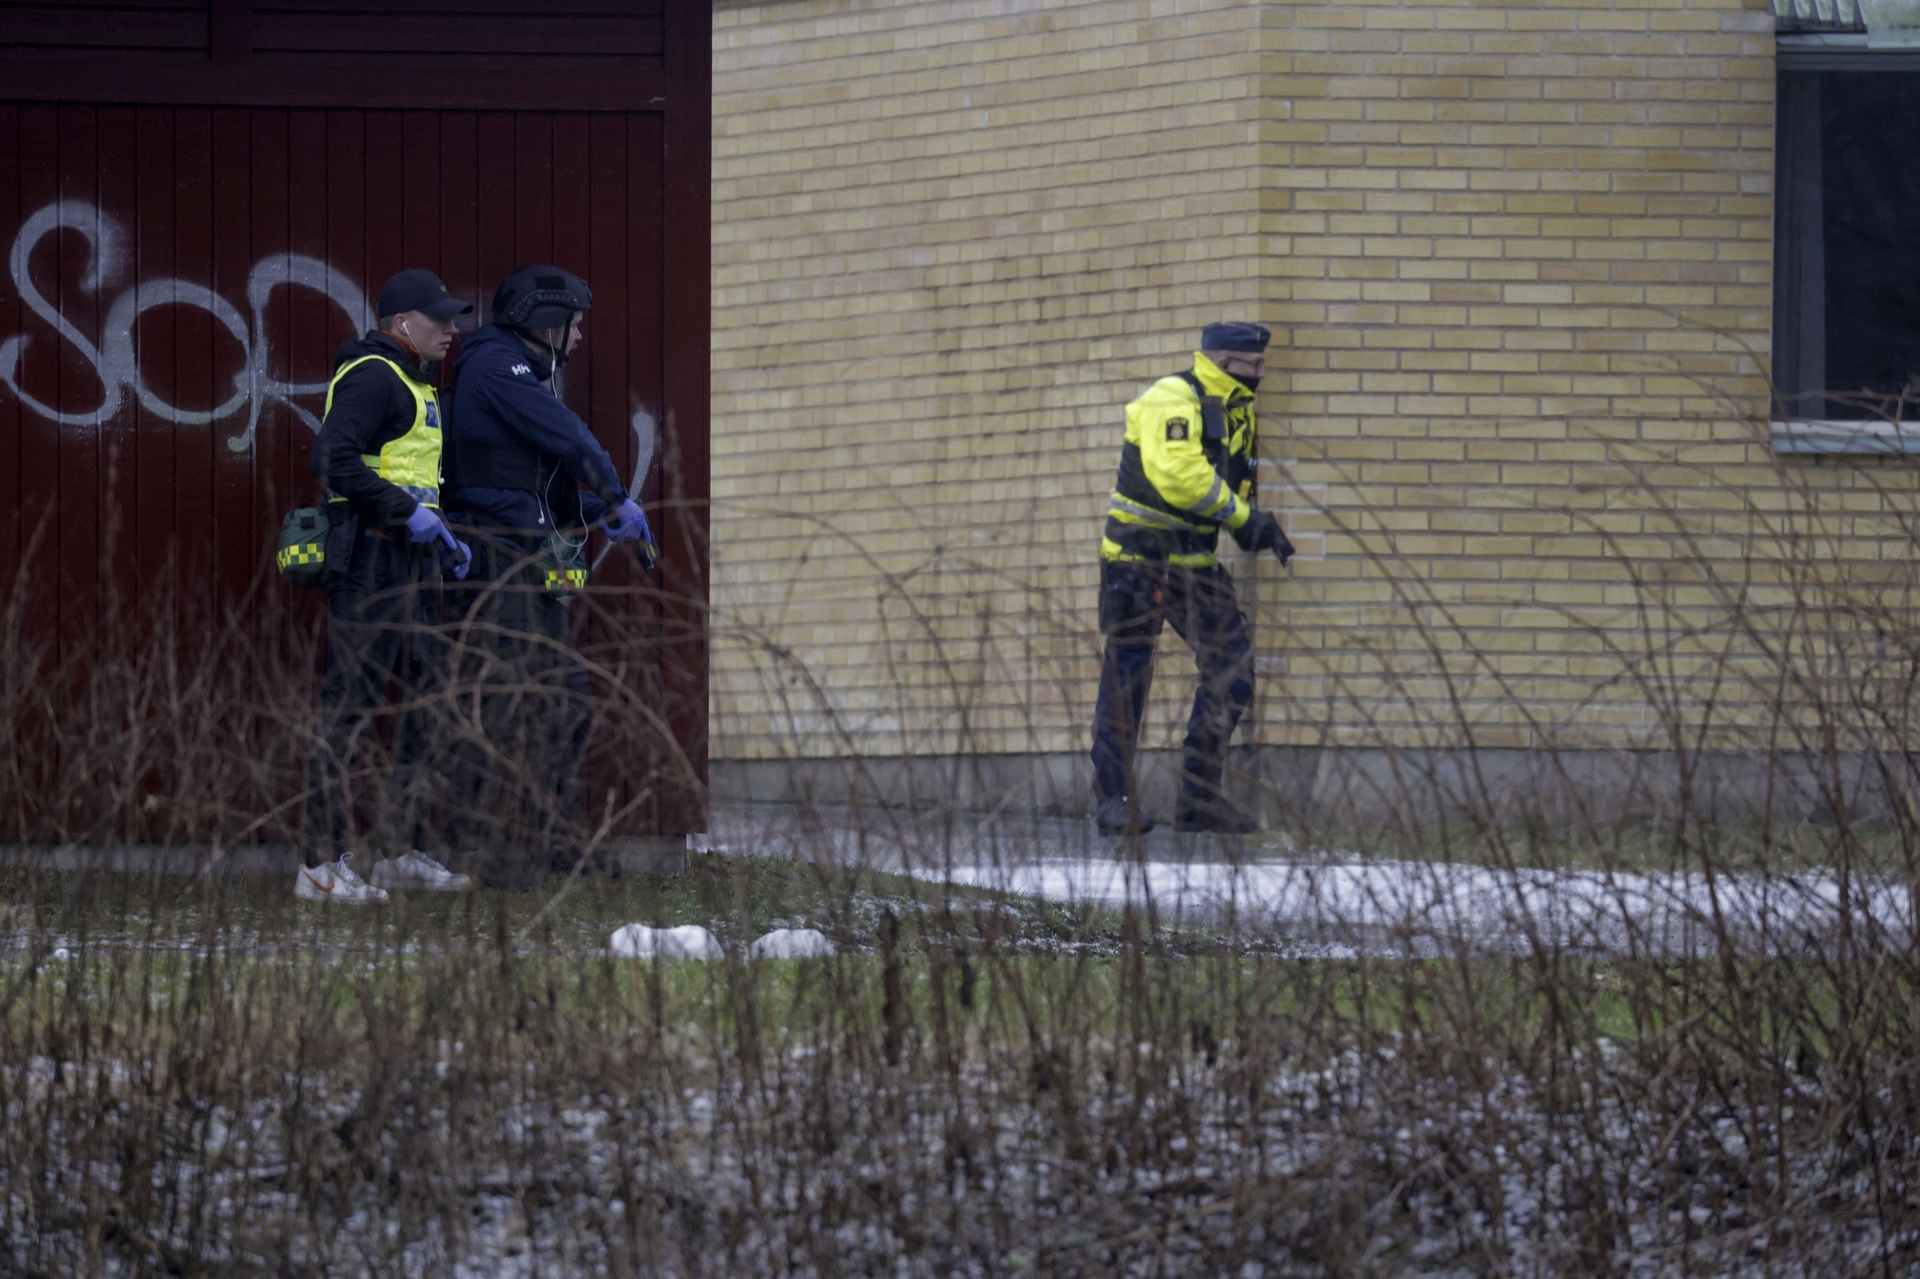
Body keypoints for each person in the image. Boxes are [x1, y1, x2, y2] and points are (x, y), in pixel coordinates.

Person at [440, 265, 655, 887]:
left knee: (565, 704)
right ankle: (489, 853)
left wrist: (596, 512)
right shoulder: (494, 366)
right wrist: (615, 492)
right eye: (575, 325)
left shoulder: (523, 377)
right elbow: (569, 439)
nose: (581, 337)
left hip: (528, 556)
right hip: (496, 558)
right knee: (507, 704)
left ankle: (556, 844)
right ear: (544, 323)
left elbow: (540, 481)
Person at [298, 269, 476, 903]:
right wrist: (408, 516)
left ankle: (400, 850)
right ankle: (318, 869)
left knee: (428, 700)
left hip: (407, 563)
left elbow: (406, 475)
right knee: (349, 710)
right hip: (369, 561)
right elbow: (331, 460)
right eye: (441, 319)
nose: (453, 329)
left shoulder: (412, 381)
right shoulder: (375, 376)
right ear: (402, 323)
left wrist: (442, 536)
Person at [1090, 321, 1294, 836]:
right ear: (1225, 364)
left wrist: (1252, 523)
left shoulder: (1235, 412)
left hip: (1196, 565)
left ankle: (1199, 800)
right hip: (1139, 561)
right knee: (1127, 678)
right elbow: (1179, 477)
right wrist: (1243, 518)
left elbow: (1228, 482)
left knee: (1233, 671)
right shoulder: (1172, 397)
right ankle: (1114, 801)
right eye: (1255, 365)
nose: (1263, 373)